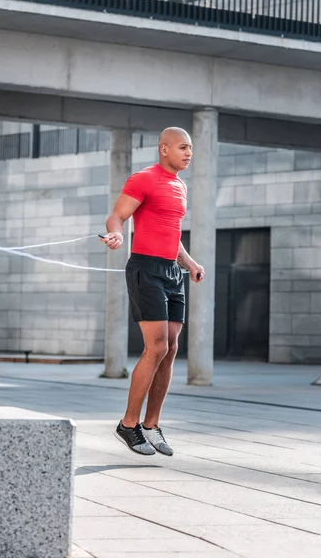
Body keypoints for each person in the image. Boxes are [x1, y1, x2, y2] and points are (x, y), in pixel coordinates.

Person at [101, 127, 205, 456]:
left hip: (172, 271)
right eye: (183, 147)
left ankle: (151, 425)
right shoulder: (144, 179)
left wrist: (188, 263)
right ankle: (128, 424)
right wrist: (116, 236)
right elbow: (117, 217)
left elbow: (171, 235)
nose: (188, 153)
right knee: (156, 347)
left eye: (190, 148)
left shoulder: (180, 186)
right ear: (164, 149)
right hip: (145, 268)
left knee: (172, 348)